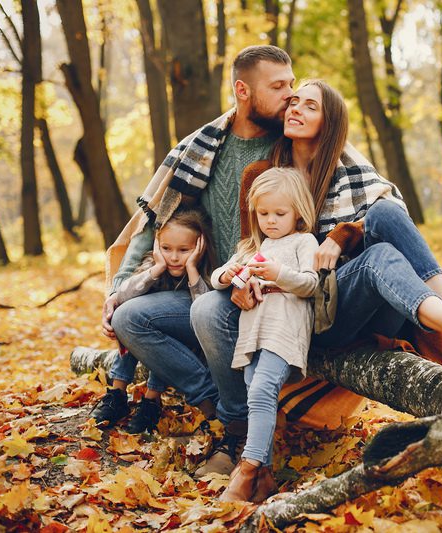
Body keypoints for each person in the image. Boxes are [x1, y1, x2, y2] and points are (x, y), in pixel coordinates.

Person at [190, 80, 442, 480]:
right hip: (296, 308)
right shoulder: (263, 174)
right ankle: (239, 431)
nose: (296, 108)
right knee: (206, 309)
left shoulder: (349, 175)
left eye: (310, 106)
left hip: (349, 304)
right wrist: (240, 283)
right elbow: (252, 243)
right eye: (293, 101)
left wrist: (342, 235)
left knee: (384, 222)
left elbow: (389, 225)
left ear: (330, 121)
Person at [101, 45, 295, 449]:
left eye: (291, 84)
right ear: (243, 90)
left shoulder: (293, 146)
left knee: (208, 310)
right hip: (207, 288)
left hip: (267, 286)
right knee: (130, 318)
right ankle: (212, 400)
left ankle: (234, 429)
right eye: (278, 86)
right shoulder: (202, 148)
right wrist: (116, 290)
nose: (290, 95)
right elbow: (155, 221)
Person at [210, 167, 319, 503]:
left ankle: (246, 469)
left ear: (298, 212)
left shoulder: (303, 242)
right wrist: (228, 274)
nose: (270, 220)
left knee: (260, 390)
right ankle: (265, 477)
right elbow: (216, 278)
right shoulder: (253, 246)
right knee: (256, 393)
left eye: (279, 213)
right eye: (263, 213)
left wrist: (279, 274)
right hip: (254, 331)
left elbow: (310, 284)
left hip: (284, 329)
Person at [95, 207, 217, 433]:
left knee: (156, 329)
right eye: (166, 248)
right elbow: (123, 294)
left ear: (199, 247)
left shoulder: (201, 269)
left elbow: (204, 309)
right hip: (142, 331)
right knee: (127, 310)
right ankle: (117, 392)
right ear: (156, 246)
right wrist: (156, 269)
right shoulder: (155, 264)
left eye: (184, 250)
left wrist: (192, 268)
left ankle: (152, 400)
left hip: (184, 331)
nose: (173, 257)